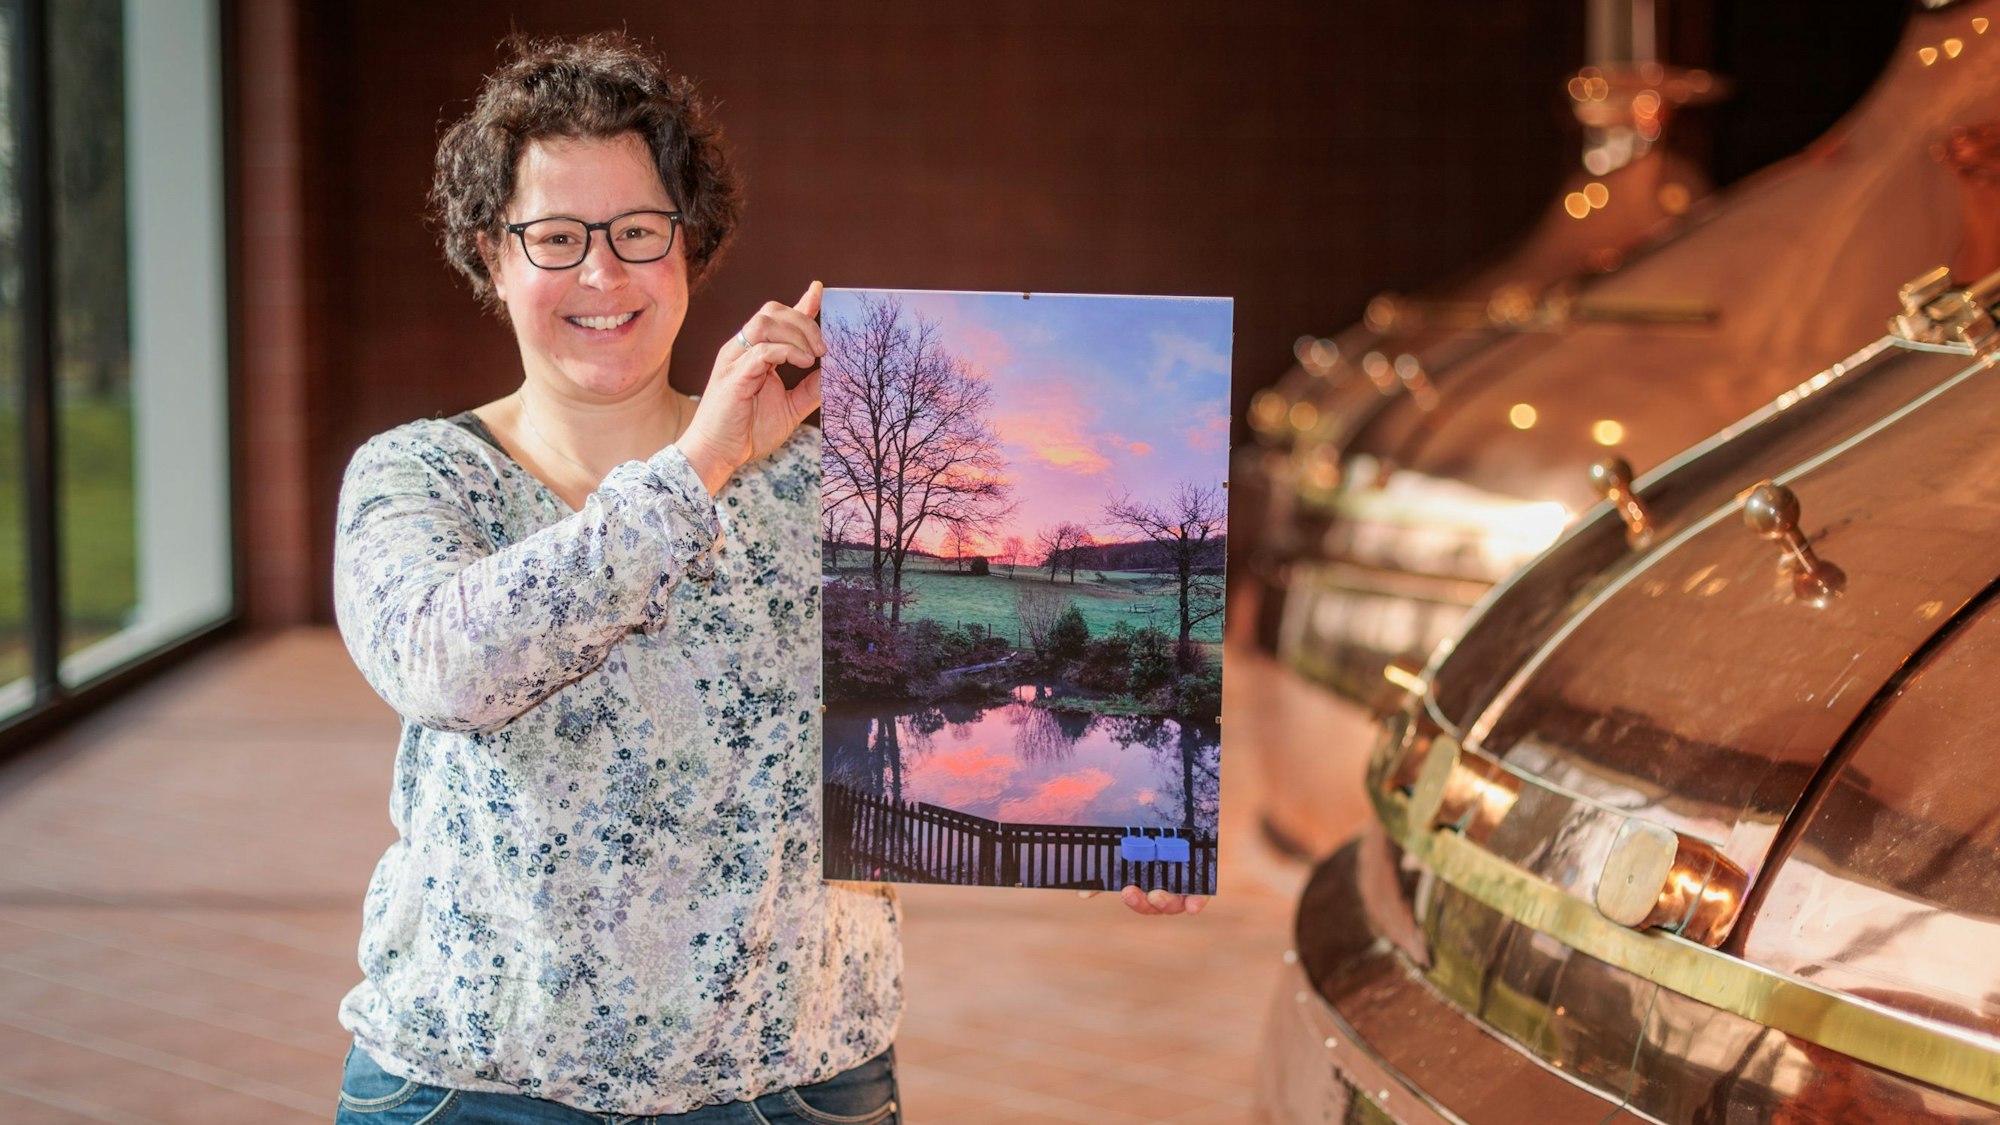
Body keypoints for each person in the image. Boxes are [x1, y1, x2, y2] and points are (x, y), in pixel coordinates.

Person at [331, 31, 1197, 1125]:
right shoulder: (417, 474)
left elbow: (951, 722)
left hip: (791, 1087)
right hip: (475, 1089)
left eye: (639, 232)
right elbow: (447, 665)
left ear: (690, 249)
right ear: (487, 253)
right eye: (555, 237)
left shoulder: (814, 482)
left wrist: (1153, 825)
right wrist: (696, 465)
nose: (601, 273)